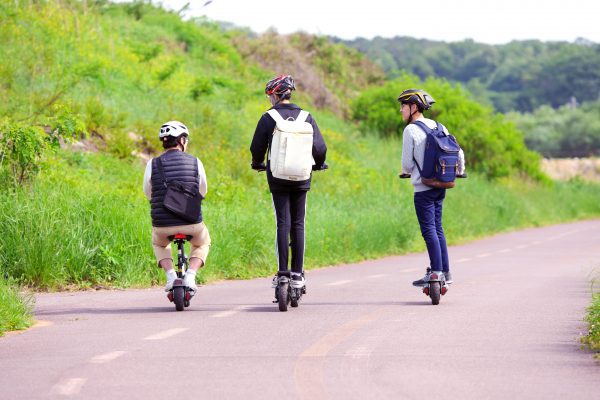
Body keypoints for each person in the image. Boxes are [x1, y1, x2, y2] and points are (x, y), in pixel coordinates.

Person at [250, 75, 327, 291]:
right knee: (298, 224)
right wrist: (319, 164)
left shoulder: (269, 117)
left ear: (275, 94)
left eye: (269, 95)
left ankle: (283, 273)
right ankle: (297, 274)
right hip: (302, 177)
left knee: (282, 223)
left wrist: (257, 163)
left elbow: (257, 147)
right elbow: (320, 149)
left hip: (278, 177)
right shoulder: (306, 116)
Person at [398, 89, 465, 286]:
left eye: (403, 106)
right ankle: (445, 271)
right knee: (438, 228)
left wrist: (407, 171)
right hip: (441, 184)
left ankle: (435, 272)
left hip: (423, 188)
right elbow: (458, 151)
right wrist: (459, 171)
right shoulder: (439, 125)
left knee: (428, 230)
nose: (401, 110)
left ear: (414, 107)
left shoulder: (410, 130)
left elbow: (407, 165)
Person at [143, 121, 211, 292]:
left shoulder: (152, 164)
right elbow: (203, 190)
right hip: (191, 221)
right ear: (181, 140)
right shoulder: (196, 162)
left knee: (159, 243)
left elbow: (148, 193)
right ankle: (190, 276)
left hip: (162, 223)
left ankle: (170, 276)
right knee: (202, 242)